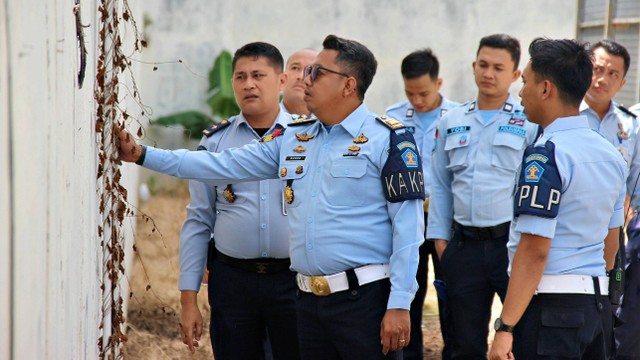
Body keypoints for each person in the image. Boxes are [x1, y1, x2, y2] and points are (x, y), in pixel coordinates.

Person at [118, 34, 424, 359]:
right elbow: (220, 163)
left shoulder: (388, 139)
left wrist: (400, 303)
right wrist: (142, 155)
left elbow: (408, 230)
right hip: (307, 302)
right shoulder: (295, 137)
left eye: (317, 72)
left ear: (348, 85)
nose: (305, 78)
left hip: (364, 302)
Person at [488, 37, 627, 360]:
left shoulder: (546, 154)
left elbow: (535, 249)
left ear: (546, 89)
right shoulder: (610, 154)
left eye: (525, 82)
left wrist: (505, 327)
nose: (520, 92)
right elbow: (610, 247)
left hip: (551, 311)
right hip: (595, 306)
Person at [178, 42, 300, 359]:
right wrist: (188, 300)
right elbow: (199, 220)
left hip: (295, 281)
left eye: (258, 75)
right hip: (233, 283)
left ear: (282, 80)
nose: (249, 84)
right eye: (240, 77)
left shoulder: (305, 140)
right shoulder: (216, 142)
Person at [427, 33, 538, 359]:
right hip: (464, 248)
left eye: (498, 68)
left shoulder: (528, 122)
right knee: (463, 342)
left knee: (521, 336)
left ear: (515, 75)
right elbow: (442, 184)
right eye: (484, 65)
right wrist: (440, 244)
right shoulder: (452, 120)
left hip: (510, 246)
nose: (489, 74)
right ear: (474, 66)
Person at [385, 48, 458, 360]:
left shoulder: (456, 117)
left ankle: (454, 350)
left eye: (424, 93)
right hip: (406, 216)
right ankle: (409, 353)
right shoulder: (392, 118)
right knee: (408, 290)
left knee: (450, 289)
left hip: (444, 219)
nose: (417, 100)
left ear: (439, 83)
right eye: (410, 93)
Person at [580, 40, 639, 217]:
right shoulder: (563, 114)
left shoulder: (631, 125)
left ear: (622, 83)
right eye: (597, 69)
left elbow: (636, 182)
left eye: (613, 74)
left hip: (610, 228)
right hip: (565, 226)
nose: (602, 80)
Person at [281, 48, 318, 116]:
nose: (301, 77)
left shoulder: (332, 124)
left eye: (310, 71)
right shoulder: (260, 120)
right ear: (282, 79)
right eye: (295, 68)